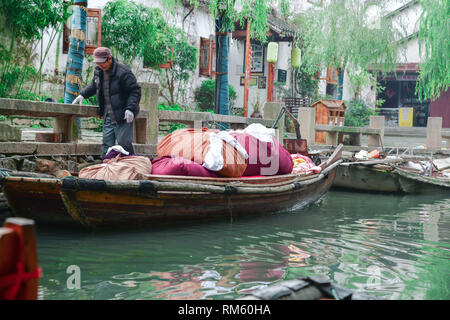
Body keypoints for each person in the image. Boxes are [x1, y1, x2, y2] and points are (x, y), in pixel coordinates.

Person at [72, 47, 141, 158]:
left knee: (124, 143)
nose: (100, 66)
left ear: (109, 59)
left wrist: (130, 109)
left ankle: (132, 166)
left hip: (123, 114)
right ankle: (105, 169)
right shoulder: (99, 71)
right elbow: (95, 85)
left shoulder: (123, 72)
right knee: (107, 144)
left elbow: (135, 90)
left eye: (102, 63)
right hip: (108, 114)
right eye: (97, 63)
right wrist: (83, 94)